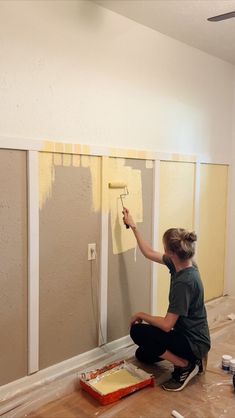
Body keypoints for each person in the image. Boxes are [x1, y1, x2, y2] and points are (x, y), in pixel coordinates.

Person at [122, 208, 211, 392]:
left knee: (138, 332)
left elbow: (166, 325)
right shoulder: (182, 262)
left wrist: (141, 314)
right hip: (186, 334)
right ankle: (191, 359)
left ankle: (185, 364)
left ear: (171, 252)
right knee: (143, 355)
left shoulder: (185, 282)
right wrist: (134, 227)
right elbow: (148, 252)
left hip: (193, 341)